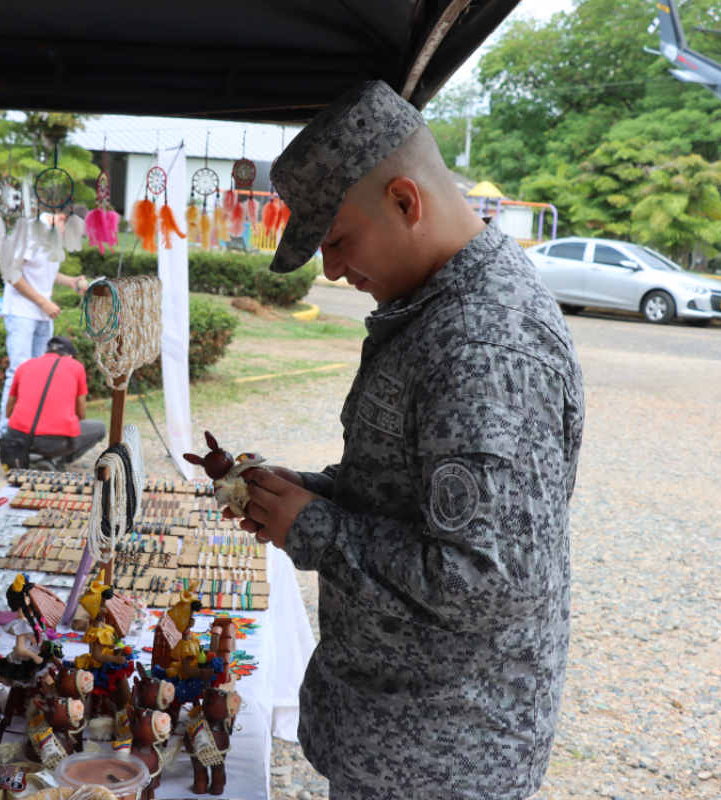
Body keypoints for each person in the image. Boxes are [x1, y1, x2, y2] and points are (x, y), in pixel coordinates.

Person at [228, 81, 585, 799]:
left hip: (442, 761)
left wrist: (318, 529)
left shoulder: (487, 343)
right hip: (402, 736)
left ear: (404, 201)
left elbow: (489, 580)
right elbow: (407, 495)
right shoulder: (434, 308)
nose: (330, 270)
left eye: (336, 240)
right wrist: (307, 493)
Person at [0, 213, 90, 438]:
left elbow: (43, 270)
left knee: (43, 374)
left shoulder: (53, 236)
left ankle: (33, 429)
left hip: (42, 315)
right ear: (61, 217)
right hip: (22, 313)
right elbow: (11, 274)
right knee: (18, 372)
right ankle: (6, 433)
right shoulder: (29, 231)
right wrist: (43, 302)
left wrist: (70, 281)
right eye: (70, 230)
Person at [0, 335, 106, 469]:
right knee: (100, 428)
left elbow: (8, 412)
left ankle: (33, 456)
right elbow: (81, 414)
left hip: (17, 437)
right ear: (70, 356)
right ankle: (56, 460)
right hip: (54, 443)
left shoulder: (25, 365)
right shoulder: (76, 367)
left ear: (46, 351)